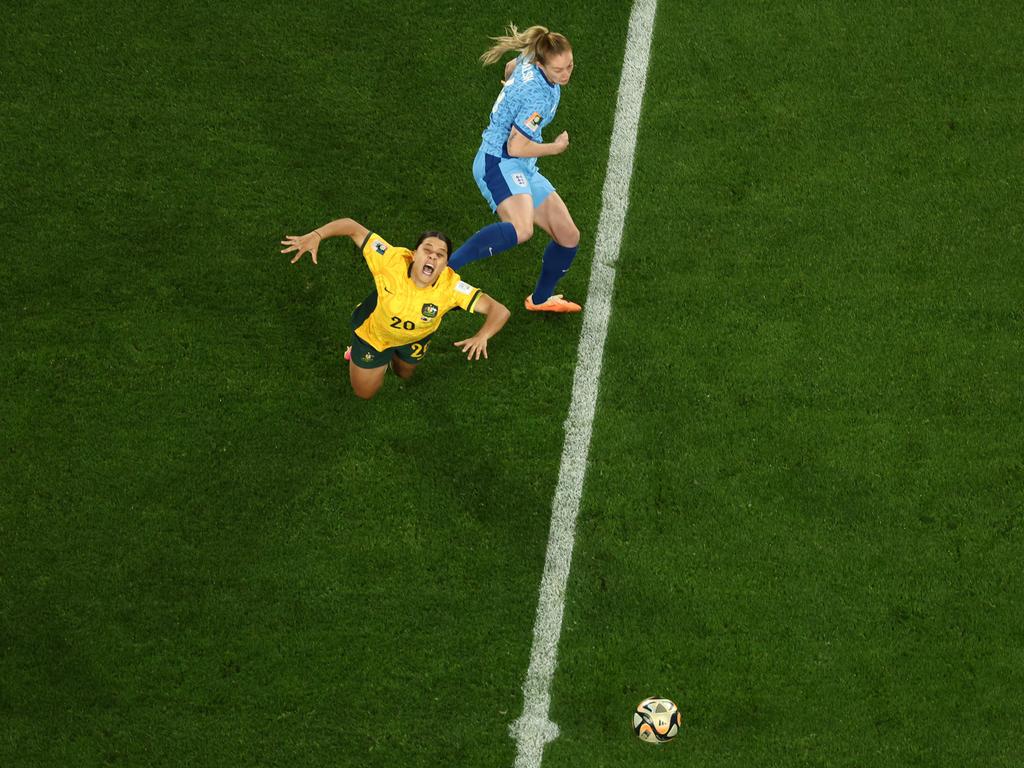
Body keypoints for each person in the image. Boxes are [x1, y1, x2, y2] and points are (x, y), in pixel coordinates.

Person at [281, 218, 510, 400]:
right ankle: (357, 352)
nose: (432, 255)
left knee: (404, 373)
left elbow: (499, 310)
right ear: (414, 254)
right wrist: (317, 235)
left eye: (440, 255)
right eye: (427, 249)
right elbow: (352, 227)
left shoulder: (452, 287)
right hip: (374, 335)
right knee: (364, 393)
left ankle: (391, 359)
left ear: (444, 265)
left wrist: (483, 335)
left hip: (416, 338)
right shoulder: (391, 259)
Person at [448, 24, 582, 314]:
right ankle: (446, 269)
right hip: (498, 162)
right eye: (558, 70)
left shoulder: (529, 58)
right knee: (521, 229)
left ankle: (540, 299)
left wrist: (511, 94)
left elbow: (510, 68)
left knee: (568, 236)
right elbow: (515, 147)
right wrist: (554, 148)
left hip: (520, 165)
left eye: (569, 65)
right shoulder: (539, 97)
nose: (566, 74)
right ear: (541, 63)